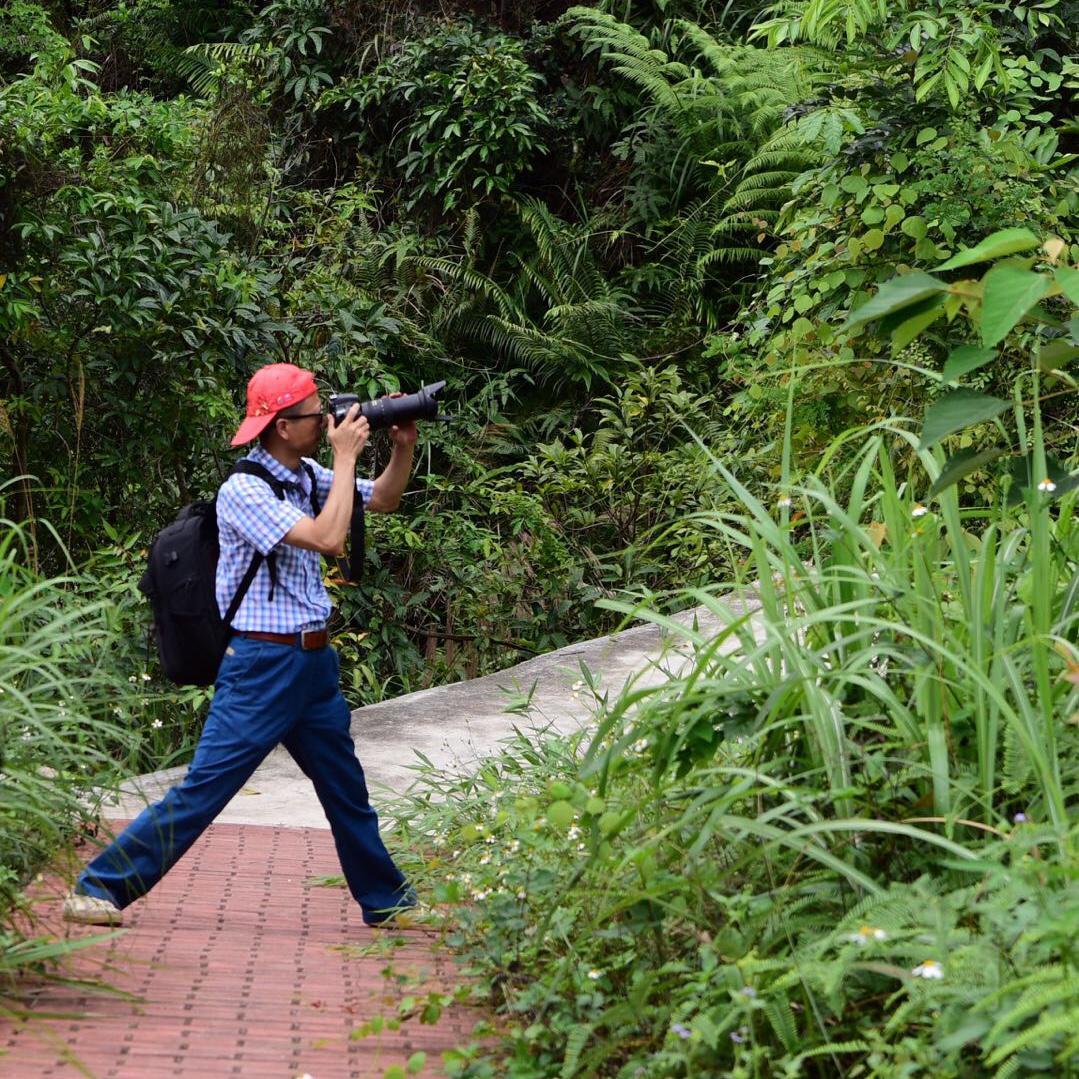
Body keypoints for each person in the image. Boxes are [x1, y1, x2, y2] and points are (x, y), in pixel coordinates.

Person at [64, 363, 416, 927]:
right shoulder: (243, 491)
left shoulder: (305, 475)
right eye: (315, 415)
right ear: (281, 425)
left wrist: (401, 449)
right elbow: (328, 537)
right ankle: (100, 886)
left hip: (313, 665)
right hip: (262, 663)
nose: (327, 420)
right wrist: (347, 456)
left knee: (347, 792)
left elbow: (384, 501)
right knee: (205, 788)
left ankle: (386, 901)